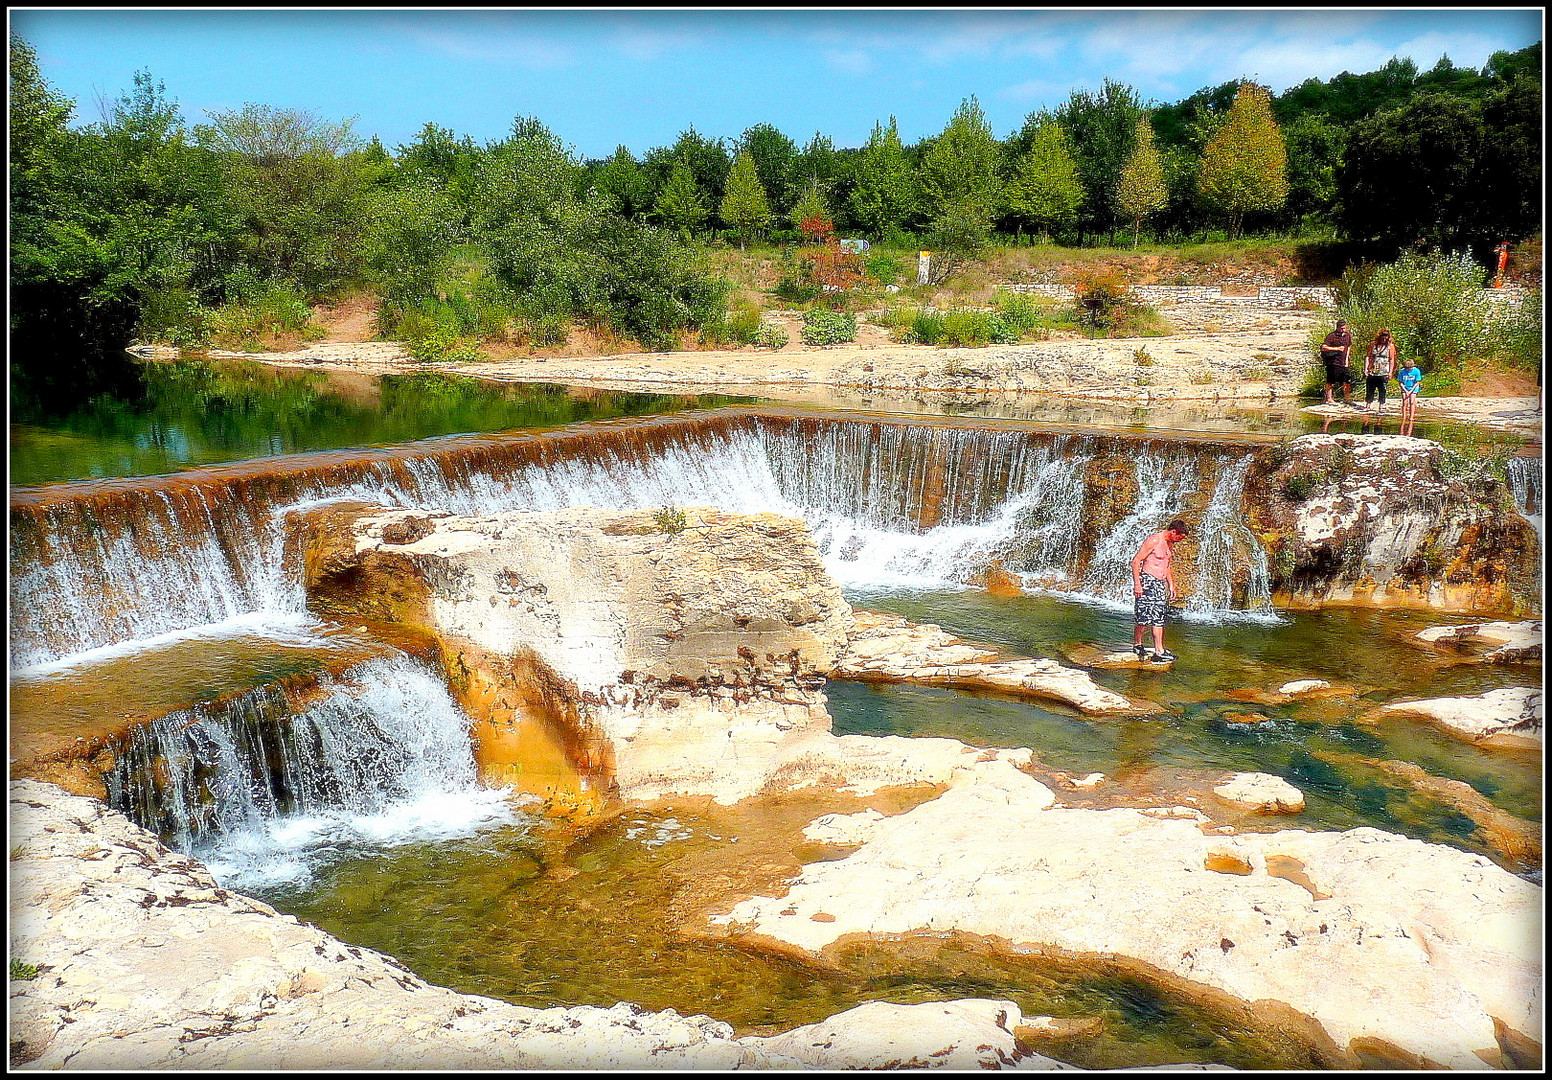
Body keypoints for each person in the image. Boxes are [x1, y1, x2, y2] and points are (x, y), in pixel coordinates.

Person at [1131, 519, 1188, 663]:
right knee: (1143, 617)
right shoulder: (1154, 540)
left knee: (1159, 616)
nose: (1180, 541)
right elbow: (1136, 561)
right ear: (1173, 532)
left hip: (1159, 584)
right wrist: (1137, 584)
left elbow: (1166, 565)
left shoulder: (1170, 544)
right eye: (1179, 537)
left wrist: (1171, 585)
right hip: (1147, 581)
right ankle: (1138, 644)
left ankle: (1159, 651)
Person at [1319, 318, 1354, 406]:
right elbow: (1324, 347)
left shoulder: (1347, 335)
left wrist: (1347, 359)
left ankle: (1347, 397)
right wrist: (1336, 349)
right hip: (1333, 361)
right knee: (1331, 380)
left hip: (1343, 361)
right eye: (1342, 328)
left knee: (1346, 380)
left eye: (1345, 328)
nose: (1343, 330)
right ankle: (1329, 398)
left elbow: (1349, 346)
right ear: (1338, 328)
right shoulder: (1332, 336)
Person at [1363, 329, 1397, 414]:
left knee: (1382, 389)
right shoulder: (1373, 345)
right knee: (1370, 388)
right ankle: (1368, 405)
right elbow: (1368, 356)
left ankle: (1381, 406)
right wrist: (1366, 368)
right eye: (1383, 335)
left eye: (1386, 336)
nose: (1384, 338)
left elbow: (1391, 359)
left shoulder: (1390, 346)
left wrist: (1390, 372)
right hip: (1373, 369)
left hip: (1384, 370)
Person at [1397, 356, 1423, 436]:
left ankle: (1411, 417)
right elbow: (1400, 382)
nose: (1408, 370)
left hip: (1413, 388)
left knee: (1412, 402)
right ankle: (1404, 417)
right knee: (1405, 402)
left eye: (1409, 368)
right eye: (1407, 368)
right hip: (1405, 387)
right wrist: (1405, 390)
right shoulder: (1402, 371)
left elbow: (1417, 382)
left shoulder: (1416, 371)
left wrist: (1410, 391)